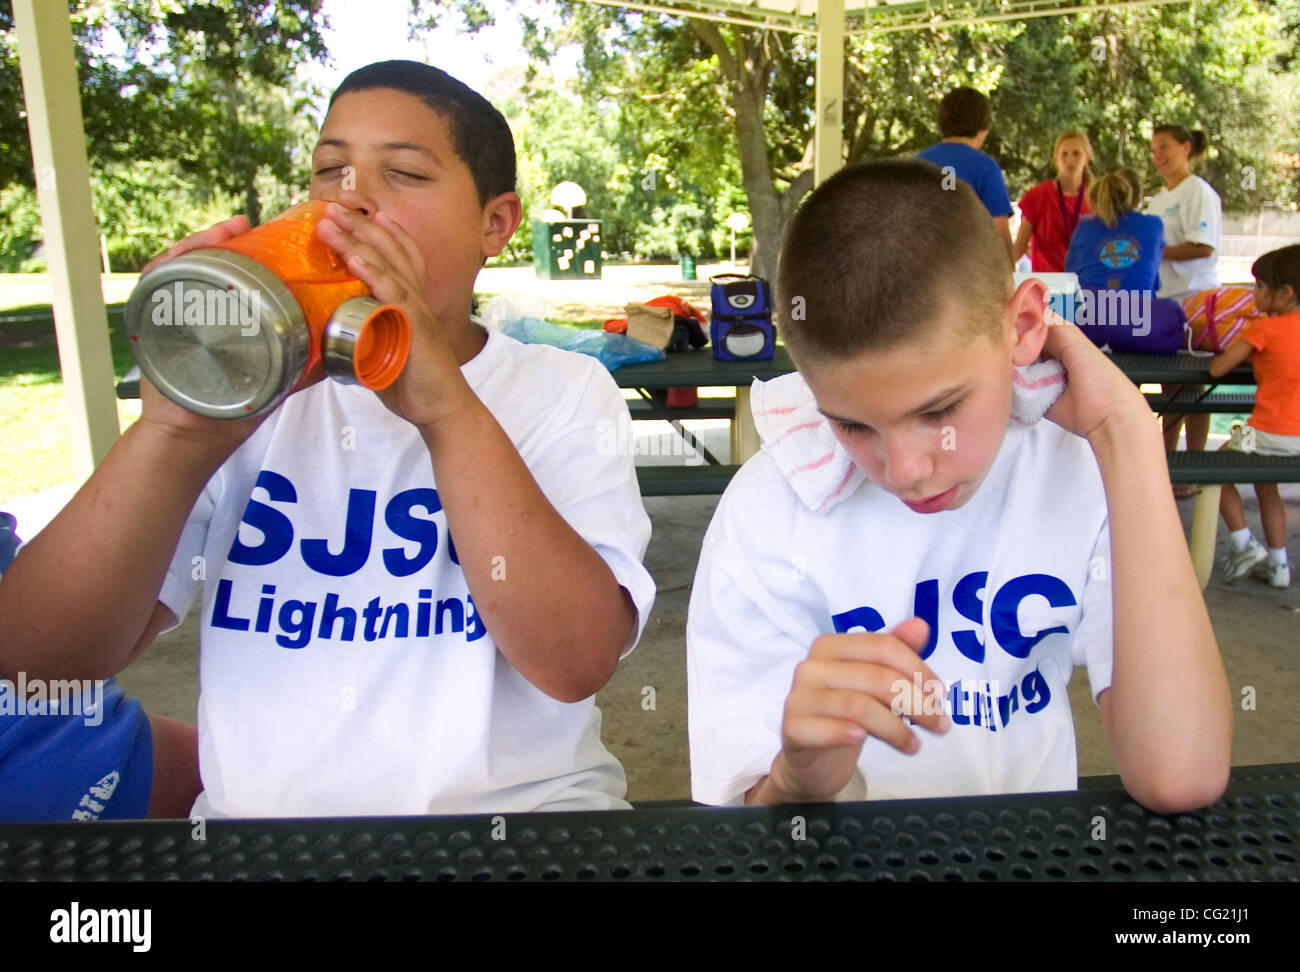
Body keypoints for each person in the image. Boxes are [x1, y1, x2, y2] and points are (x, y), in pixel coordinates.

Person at [0, 61, 656, 818]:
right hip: (265, 838)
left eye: (404, 173)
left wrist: (448, 412)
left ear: (495, 225)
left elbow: (574, 662)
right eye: (329, 170)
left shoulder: (558, 392)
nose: (353, 199)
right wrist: (176, 430)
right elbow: (40, 659)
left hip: (522, 824)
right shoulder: (254, 405)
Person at [686, 159, 1230, 813]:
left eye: (940, 411)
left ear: (1025, 326)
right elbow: (746, 826)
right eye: (853, 426)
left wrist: (1128, 434)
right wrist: (798, 780)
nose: (907, 469)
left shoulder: (1081, 464)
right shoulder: (768, 511)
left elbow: (1180, 777)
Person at [1210, 244, 1300, 589]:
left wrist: (1252, 353)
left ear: (1285, 293)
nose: (1253, 293)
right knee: (1266, 484)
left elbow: (1218, 369)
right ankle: (1279, 565)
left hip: (1265, 433)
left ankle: (1243, 543)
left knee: (1217, 467)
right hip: (1293, 440)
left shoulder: (1264, 330)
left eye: (1260, 286)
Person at [1146, 125, 1222, 486]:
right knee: (1168, 388)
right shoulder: (1156, 199)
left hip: (1195, 300)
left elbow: (1202, 246)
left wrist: (1153, 250)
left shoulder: (1198, 192)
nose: (1158, 156)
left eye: (1165, 147)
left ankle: (1192, 472)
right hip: (1164, 303)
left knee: (1193, 387)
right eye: (1153, 149)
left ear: (1185, 148)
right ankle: (1167, 468)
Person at [916, 87, 1015, 262]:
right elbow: (1000, 238)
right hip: (967, 275)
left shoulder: (914, 165)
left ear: (941, 123)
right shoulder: (985, 168)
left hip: (921, 273)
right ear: (983, 128)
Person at [1066, 167, 1164, 291]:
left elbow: (1070, 280)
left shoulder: (1083, 230)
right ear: (1131, 197)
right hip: (1141, 308)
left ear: (1092, 203)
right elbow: (1154, 283)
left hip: (1092, 307)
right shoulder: (1153, 225)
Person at [1014, 130, 1094, 273]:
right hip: (1046, 286)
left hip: (1086, 286)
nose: (1070, 160)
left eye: (1076, 153)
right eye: (1064, 154)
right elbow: (1019, 246)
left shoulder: (1097, 198)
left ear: (1086, 158)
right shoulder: (1037, 195)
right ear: (1056, 159)